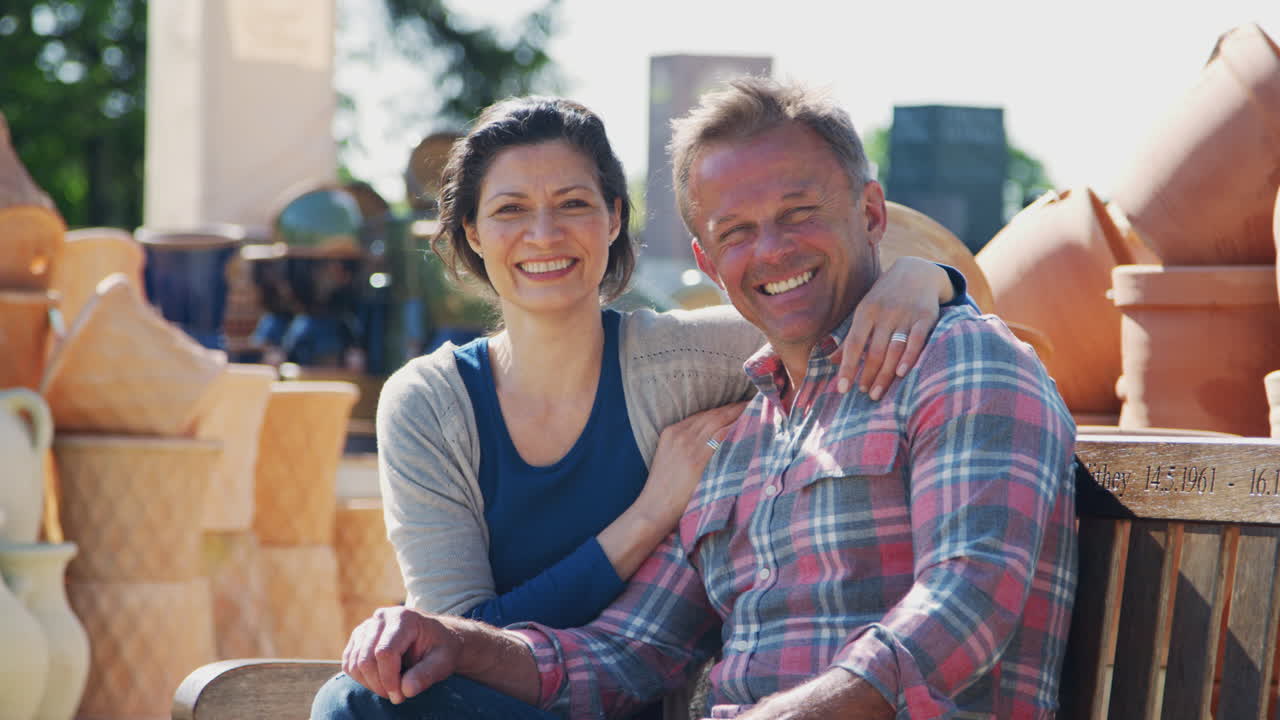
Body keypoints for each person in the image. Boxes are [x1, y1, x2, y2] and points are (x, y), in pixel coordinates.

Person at [312, 90, 979, 719]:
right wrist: (652, 511)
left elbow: (820, 279)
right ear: (473, 234)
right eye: (510, 209)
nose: (543, 234)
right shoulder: (430, 405)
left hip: (636, 700)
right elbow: (458, 643)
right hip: (513, 695)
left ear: (614, 218)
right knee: (357, 702)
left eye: (573, 204)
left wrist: (930, 281)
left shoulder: (695, 358)